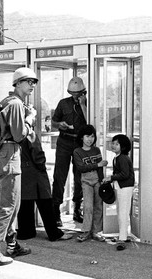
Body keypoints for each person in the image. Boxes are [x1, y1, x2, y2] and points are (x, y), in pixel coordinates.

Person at [0, 67, 37, 266]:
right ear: (18, 83)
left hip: (2, 154)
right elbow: (18, 134)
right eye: (28, 81)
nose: (32, 85)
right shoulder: (15, 104)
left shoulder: (9, 102)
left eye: (34, 82)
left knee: (13, 203)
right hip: (8, 155)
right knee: (8, 205)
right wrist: (30, 119)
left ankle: (12, 244)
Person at [16, 130, 74, 241]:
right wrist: (42, 166)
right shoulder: (29, 133)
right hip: (34, 171)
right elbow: (37, 153)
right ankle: (53, 232)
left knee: (25, 202)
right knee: (45, 202)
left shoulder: (12, 132)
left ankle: (26, 231)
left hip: (21, 170)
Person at [51, 77, 88, 226]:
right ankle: (55, 210)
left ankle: (77, 208)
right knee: (60, 175)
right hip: (64, 141)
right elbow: (53, 122)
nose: (75, 96)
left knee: (79, 176)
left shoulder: (86, 103)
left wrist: (83, 104)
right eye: (72, 93)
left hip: (80, 143)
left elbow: (90, 122)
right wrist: (60, 124)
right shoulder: (63, 103)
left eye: (78, 93)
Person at [73, 125, 108, 242]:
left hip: (97, 181)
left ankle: (96, 232)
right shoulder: (77, 152)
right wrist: (98, 164)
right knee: (88, 206)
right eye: (87, 136)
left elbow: (100, 169)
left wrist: (102, 181)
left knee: (98, 206)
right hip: (86, 182)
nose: (90, 139)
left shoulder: (96, 150)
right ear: (82, 137)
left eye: (92, 136)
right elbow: (81, 168)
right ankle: (86, 231)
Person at [103, 134, 135, 251]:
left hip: (125, 187)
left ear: (123, 146)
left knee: (123, 212)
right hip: (121, 186)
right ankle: (123, 235)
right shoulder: (119, 157)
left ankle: (122, 238)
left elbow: (125, 174)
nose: (113, 146)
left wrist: (110, 178)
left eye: (117, 144)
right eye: (113, 143)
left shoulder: (122, 158)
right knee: (122, 211)